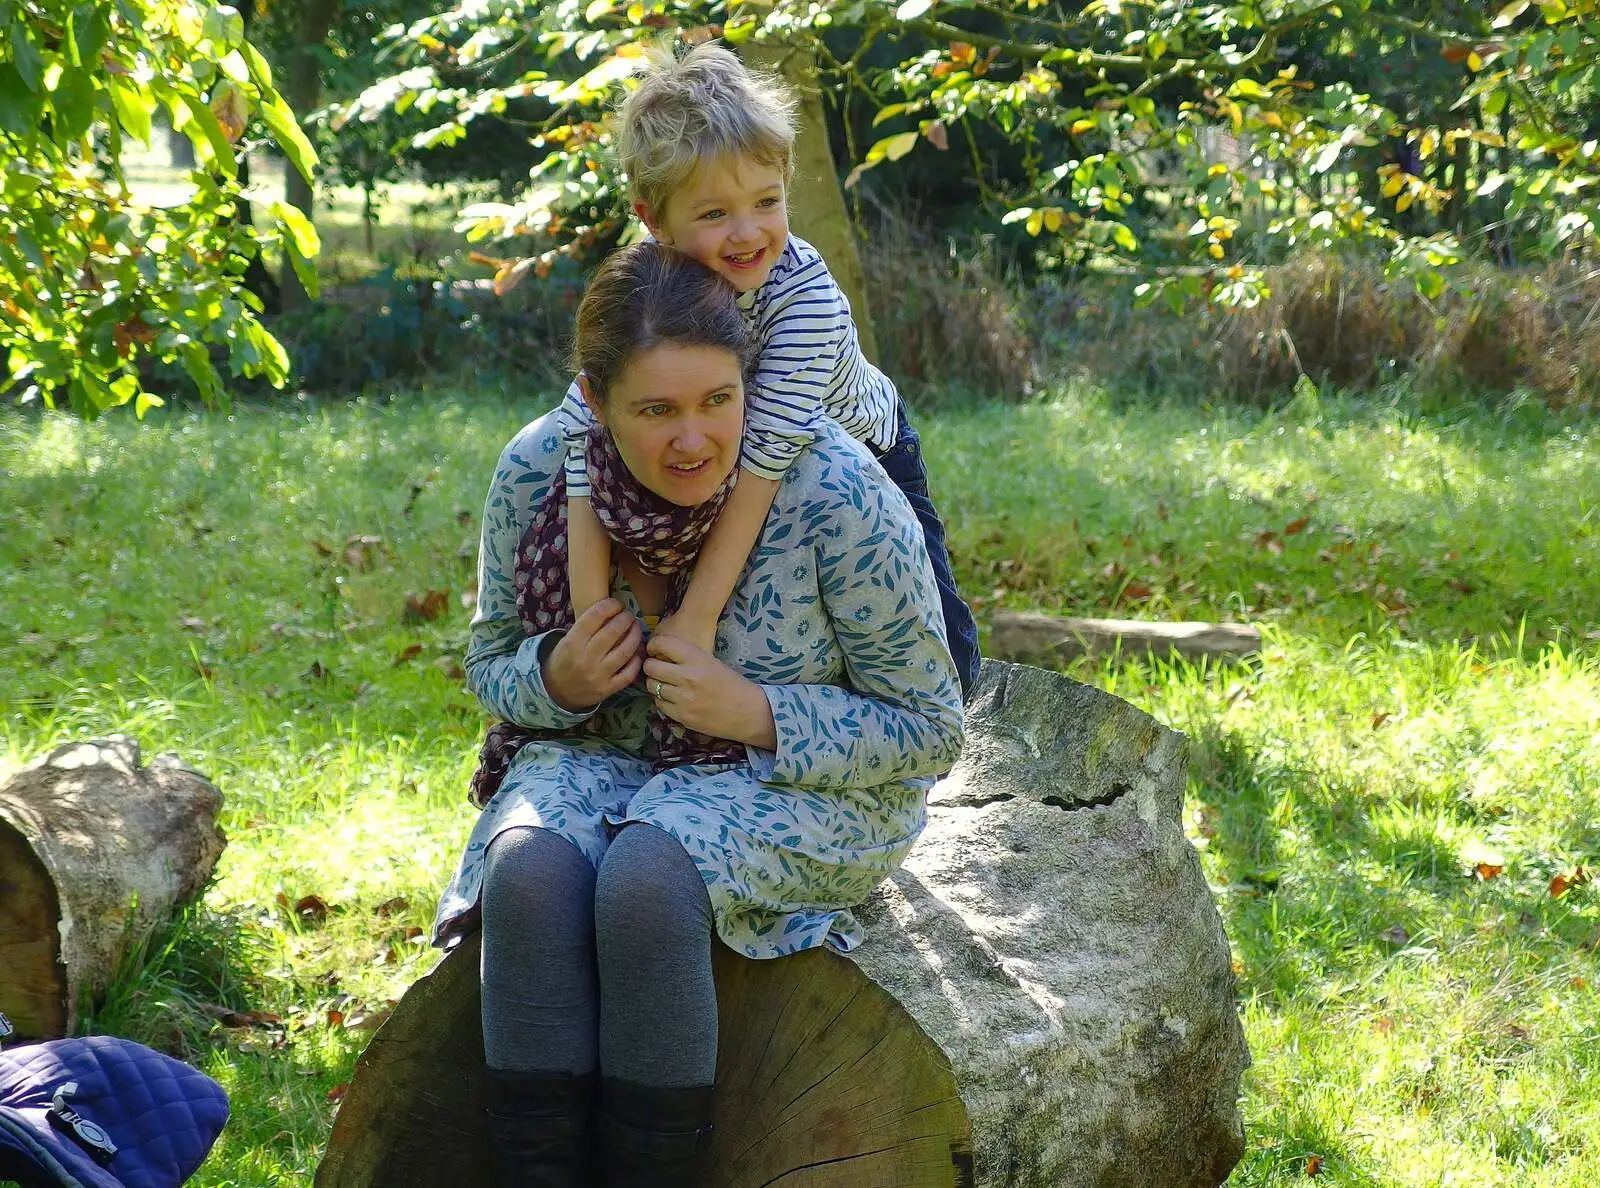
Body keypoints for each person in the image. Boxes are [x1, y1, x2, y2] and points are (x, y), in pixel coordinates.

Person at [433, 242, 965, 1188]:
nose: (693, 440)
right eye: (657, 410)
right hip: (599, 756)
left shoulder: (832, 490)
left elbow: (929, 725)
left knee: (645, 881)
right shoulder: (537, 471)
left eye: (718, 402)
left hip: (806, 781)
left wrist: (757, 712)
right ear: (594, 405)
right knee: (528, 874)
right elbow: (489, 665)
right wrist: (555, 677)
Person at [556, 40, 982, 699]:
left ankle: (919, 743)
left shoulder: (806, 304)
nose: (747, 232)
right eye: (714, 213)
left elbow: (764, 465)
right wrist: (591, 614)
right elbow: (587, 418)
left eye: (766, 201)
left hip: (858, 458)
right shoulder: (648, 283)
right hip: (718, 450)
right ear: (654, 222)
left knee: (944, 653)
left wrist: (696, 618)